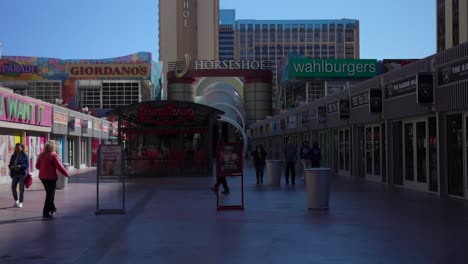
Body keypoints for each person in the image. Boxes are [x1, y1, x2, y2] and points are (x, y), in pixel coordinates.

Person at [36, 140, 69, 219]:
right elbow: (60, 166)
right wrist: (66, 174)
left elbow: (37, 166)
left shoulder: (41, 155)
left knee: (49, 194)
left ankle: (53, 208)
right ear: (53, 147)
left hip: (42, 177)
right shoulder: (53, 155)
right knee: (50, 196)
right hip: (51, 178)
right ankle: (45, 213)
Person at [9, 143, 29, 208]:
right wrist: (11, 166)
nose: (17, 148)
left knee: (21, 188)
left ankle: (21, 202)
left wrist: (20, 166)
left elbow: (27, 165)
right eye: (16, 147)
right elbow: (10, 164)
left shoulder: (24, 156)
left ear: (22, 148)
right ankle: (16, 200)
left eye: (18, 147)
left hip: (22, 174)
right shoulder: (13, 156)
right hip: (15, 174)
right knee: (13, 187)